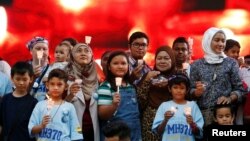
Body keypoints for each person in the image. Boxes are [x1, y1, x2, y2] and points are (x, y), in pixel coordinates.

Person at [189, 27, 244, 126]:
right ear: (208, 40)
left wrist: (230, 98)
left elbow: (240, 90)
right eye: (217, 40)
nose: (221, 44)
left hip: (225, 117)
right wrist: (196, 92)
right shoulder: (196, 65)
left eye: (223, 41)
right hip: (202, 117)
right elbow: (189, 91)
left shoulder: (231, 63)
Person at [97, 51, 141, 141]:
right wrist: (113, 105)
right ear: (109, 67)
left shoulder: (131, 86)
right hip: (115, 135)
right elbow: (102, 115)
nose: (120, 66)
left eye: (123, 63)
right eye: (115, 63)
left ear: (128, 66)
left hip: (134, 133)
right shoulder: (106, 87)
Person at [28, 69, 83, 141]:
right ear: (47, 85)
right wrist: (41, 126)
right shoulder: (40, 105)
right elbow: (31, 129)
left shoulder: (70, 107)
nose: (55, 87)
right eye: (52, 84)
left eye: (59, 84)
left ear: (66, 86)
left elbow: (76, 131)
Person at [136, 46, 176, 141]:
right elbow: (140, 101)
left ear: (172, 60)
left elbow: (184, 97)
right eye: (159, 58)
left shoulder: (179, 77)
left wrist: (170, 84)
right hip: (150, 122)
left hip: (173, 120)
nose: (162, 61)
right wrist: (146, 80)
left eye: (166, 58)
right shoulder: (149, 76)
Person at [65, 43, 103, 141]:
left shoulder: (99, 79)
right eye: (79, 51)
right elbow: (57, 105)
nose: (83, 53)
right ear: (72, 55)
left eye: (87, 51)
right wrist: (70, 95)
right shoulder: (65, 77)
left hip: (93, 131)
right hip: (72, 131)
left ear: (92, 56)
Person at [152, 73, 204, 141]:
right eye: (175, 87)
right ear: (169, 89)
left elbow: (198, 133)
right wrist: (165, 120)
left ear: (187, 90)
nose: (178, 91)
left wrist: (192, 124)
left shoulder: (192, 105)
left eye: (182, 88)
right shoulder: (164, 106)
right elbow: (158, 132)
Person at [0, 61, 38, 141]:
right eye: (18, 79)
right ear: (12, 78)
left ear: (31, 79)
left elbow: (34, 127)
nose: (21, 82)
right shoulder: (5, 100)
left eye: (24, 79)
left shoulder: (33, 102)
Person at [26, 36, 50, 101]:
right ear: (31, 51)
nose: (42, 51)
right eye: (38, 49)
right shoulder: (24, 68)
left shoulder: (53, 69)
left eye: (45, 49)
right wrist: (33, 77)